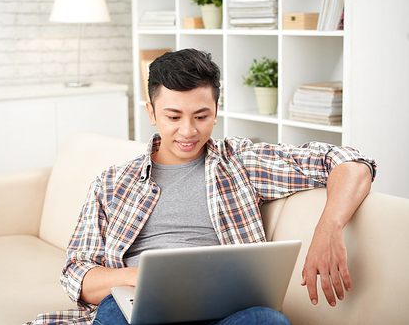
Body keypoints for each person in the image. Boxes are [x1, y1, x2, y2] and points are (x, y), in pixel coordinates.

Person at [29, 49, 376, 325]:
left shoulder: (240, 161)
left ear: (216, 110)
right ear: (152, 112)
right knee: (115, 316)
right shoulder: (112, 183)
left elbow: (349, 161)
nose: (188, 132)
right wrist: (143, 277)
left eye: (201, 116)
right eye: (173, 116)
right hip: (136, 309)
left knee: (268, 321)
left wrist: (328, 228)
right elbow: (77, 275)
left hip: (225, 312)